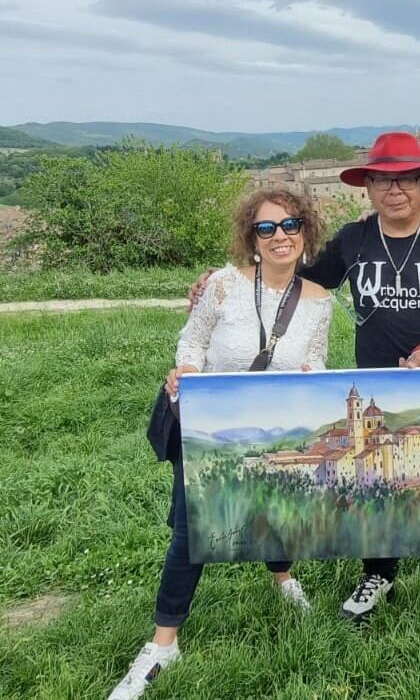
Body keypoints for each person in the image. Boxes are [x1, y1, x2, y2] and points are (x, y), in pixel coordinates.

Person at [187, 132, 420, 625]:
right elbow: (294, 271)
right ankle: (379, 571)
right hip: (373, 384)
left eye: (406, 180)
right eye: (383, 181)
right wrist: (222, 280)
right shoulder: (355, 239)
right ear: (368, 187)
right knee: (380, 481)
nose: (395, 191)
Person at [109, 188, 333, 700]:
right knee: (193, 529)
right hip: (212, 424)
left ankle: (282, 578)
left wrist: (309, 374)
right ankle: (164, 643)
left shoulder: (320, 301)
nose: (281, 236)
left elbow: (316, 358)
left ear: (306, 232)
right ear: (251, 238)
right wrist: (185, 367)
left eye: (291, 225)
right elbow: (193, 338)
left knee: (276, 509)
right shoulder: (223, 287)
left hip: (276, 426)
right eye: (267, 228)